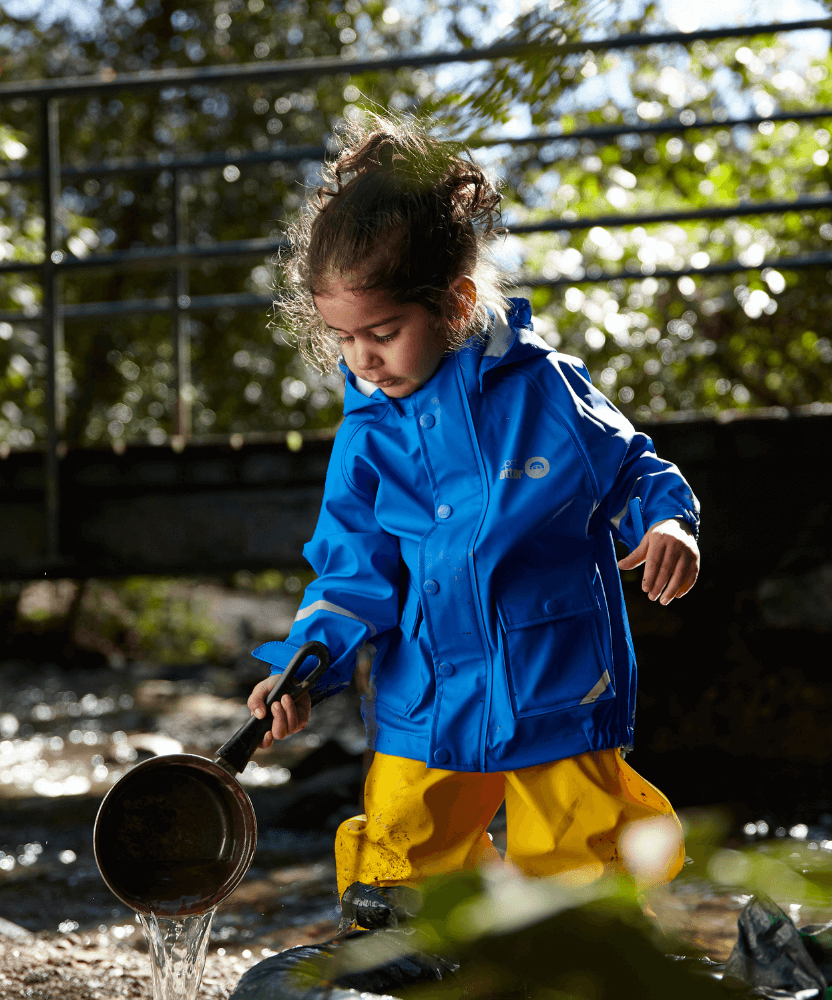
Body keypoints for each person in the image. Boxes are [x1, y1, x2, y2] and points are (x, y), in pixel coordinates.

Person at [246, 113, 701, 931]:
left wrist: (669, 526)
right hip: (426, 695)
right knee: (403, 879)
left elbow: (634, 468)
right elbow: (353, 575)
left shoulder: (546, 394)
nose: (362, 360)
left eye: (382, 333)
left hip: (558, 682)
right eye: (343, 339)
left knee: (578, 881)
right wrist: (304, 666)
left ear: (455, 304)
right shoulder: (366, 439)